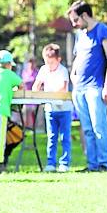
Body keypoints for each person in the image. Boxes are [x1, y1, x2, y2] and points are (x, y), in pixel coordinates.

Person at [67, 0, 107, 172]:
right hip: (79, 88)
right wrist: (73, 75)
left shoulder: (103, 31)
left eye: (75, 20)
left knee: (99, 126)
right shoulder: (81, 35)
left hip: (95, 87)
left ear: (85, 15)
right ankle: (92, 164)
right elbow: (77, 58)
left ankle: (104, 164)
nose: (74, 24)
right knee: (87, 129)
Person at [33, 44, 73, 173]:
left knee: (65, 137)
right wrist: (37, 90)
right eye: (46, 62)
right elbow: (36, 85)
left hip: (64, 109)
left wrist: (50, 94)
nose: (49, 65)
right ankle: (51, 163)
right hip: (50, 109)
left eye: (51, 62)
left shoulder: (63, 70)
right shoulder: (44, 70)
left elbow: (63, 88)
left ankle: (65, 163)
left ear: (58, 59)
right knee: (51, 137)